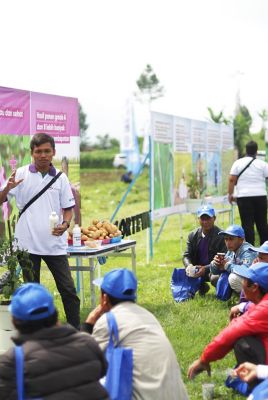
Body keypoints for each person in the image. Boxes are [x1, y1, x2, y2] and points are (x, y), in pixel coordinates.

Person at [0, 133, 80, 329]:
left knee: (68, 289)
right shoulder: (20, 174)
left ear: (53, 152)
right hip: (26, 245)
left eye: (47, 151)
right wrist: (6, 189)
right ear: (32, 153)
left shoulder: (61, 179)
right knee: (32, 292)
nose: (43, 155)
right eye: (38, 152)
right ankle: (36, 333)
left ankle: (75, 330)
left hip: (55, 245)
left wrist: (65, 224)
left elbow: (68, 208)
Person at [82, 268, 189, 400]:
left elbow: (83, 360)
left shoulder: (109, 320)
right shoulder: (149, 316)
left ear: (104, 298)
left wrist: (89, 323)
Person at [0, 283, 108, 400]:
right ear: (55, 314)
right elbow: (101, 372)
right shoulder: (88, 343)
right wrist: (86, 327)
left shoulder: (12, 361)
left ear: (15, 321)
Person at [188, 262, 268, 390]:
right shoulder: (261, 303)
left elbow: (233, 332)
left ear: (254, 287)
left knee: (242, 341)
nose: (241, 283)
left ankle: (257, 386)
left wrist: (204, 359)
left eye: (245, 280)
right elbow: (241, 322)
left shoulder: (264, 308)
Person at [228, 140, 268, 245]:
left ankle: (250, 250)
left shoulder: (238, 163)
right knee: (262, 224)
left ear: (246, 150)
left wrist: (230, 194)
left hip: (244, 197)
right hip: (260, 196)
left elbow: (232, 179)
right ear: (256, 151)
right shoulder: (262, 164)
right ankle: (265, 250)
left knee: (247, 225)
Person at [183, 204, 226, 295]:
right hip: (197, 269)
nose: (205, 222)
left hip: (214, 269)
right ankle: (201, 286)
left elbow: (222, 260)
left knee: (215, 278)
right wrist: (189, 266)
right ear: (198, 219)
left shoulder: (222, 236)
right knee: (182, 273)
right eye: (202, 219)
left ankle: (224, 294)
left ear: (214, 218)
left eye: (208, 218)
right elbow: (186, 256)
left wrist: (205, 269)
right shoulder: (192, 235)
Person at [211, 225, 256, 293]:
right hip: (249, 282)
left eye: (231, 239)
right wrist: (215, 263)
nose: (228, 242)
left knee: (233, 278)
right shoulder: (231, 251)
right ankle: (236, 296)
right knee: (215, 278)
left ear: (241, 240)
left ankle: (250, 300)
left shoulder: (248, 251)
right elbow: (215, 272)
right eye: (226, 239)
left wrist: (226, 265)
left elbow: (246, 272)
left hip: (259, 285)